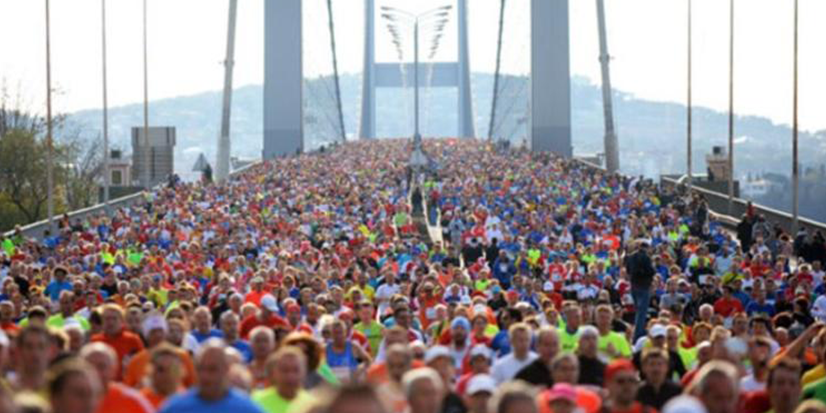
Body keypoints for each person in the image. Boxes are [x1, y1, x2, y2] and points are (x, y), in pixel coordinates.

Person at [158, 339, 265, 413]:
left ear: (226, 370)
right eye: (201, 368)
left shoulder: (246, 409)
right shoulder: (175, 408)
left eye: (212, 369)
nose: (205, 376)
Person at [80, 342, 153, 413]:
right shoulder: (71, 400)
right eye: (89, 366)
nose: (95, 372)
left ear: (113, 370)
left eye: (101, 366)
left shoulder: (131, 400)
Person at [252, 347, 315, 413]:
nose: (290, 376)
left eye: (296, 370)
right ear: (274, 373)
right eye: (285, 370)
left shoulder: (314, 406)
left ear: (304, 373)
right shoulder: (256, 402)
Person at [90, 304, 144, 379]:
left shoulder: (133, 340)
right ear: (102, 321)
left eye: (114, 318)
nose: (111, 322)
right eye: (107, 319)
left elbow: (143, 364)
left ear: (122, 321)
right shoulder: (95, 341)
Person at [139, 343, 186, 409]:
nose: (166, 375)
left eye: (171, 369)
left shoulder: (188, 402)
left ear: (179, 372)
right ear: (151, 371)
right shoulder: (140, 401)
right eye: (160, 369)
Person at [626, 241, 656, 341]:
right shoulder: (646, 257)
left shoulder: (630, 257)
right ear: (646, 248)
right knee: (642, 313)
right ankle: (637, 336)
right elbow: (651, 271)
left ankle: (636, 333)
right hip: (644, 286)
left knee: (638, 311)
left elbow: (628, 271)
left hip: (633, 285)